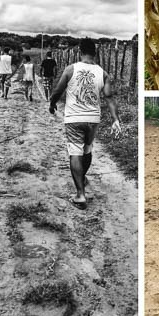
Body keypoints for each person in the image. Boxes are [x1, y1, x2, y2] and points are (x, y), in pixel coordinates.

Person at [49, 38, 121, 209]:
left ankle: (80, 195)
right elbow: (109, 98)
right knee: (87, 149)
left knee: (75, 153)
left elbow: (58, 91)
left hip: (74, 118)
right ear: (95, 53)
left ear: (79, 51)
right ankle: (82, 179)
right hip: (93, 119)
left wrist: (52, 104)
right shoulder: (103, 73)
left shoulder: (70, 69)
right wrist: (115, 119)